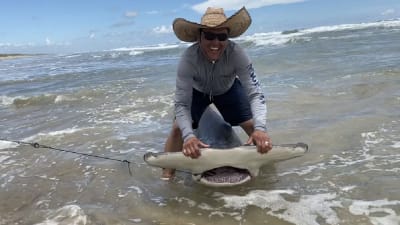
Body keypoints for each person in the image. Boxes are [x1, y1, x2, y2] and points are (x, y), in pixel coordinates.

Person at [162, 7, 272, 179]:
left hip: (227, 90)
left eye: (222, 37)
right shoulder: (188, 58)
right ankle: (167, 177)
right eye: (210, 36)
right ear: (199, 37)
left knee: (253, 127)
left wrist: (260, 128)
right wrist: (189, 136)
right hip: (197, 93)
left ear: (228, 38)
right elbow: (182, 103)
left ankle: (268, 172)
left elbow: (255, 94)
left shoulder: (237, 54)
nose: (216, 43)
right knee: (177, 129)